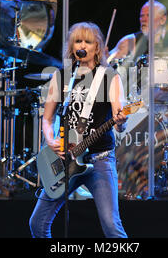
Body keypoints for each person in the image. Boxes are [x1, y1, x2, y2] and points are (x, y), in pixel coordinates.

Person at [29, 22, 128, 238]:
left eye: (87, 41)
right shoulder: (62, 76)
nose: (82, 45)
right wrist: (50, 140)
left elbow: (120, 118)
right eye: (77, 41)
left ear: (97, 47)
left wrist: (121, 120)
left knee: (112, 226)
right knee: (37, 223)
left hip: (99, 160)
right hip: (67, 160)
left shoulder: (109, 76)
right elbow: (47, 119)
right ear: (71, 46)